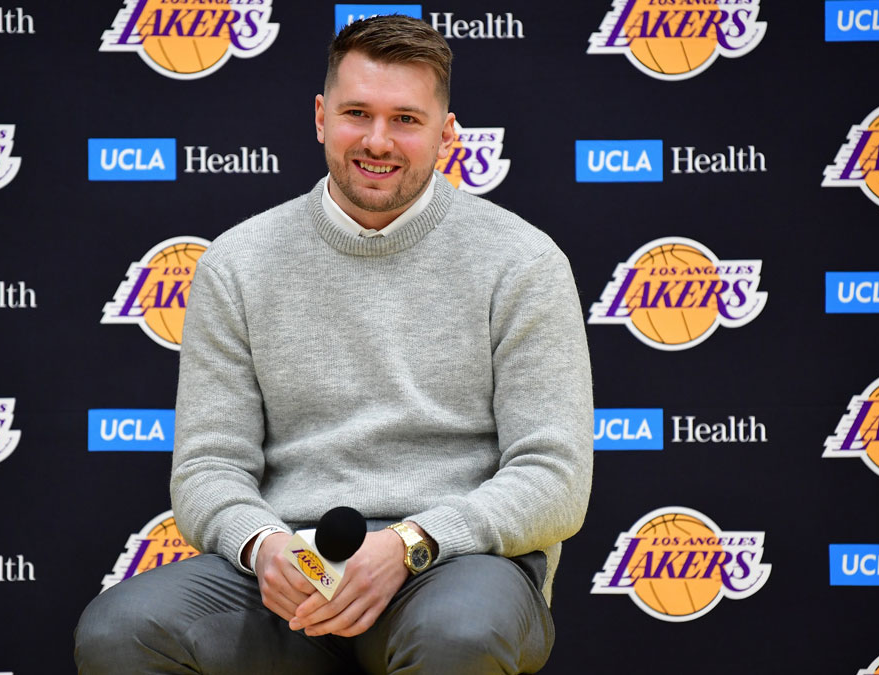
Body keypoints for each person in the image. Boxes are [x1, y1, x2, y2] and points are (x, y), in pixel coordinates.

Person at [75, 14, 592, 675]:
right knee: (120, 629)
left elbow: (554, 478)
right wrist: (265, 548)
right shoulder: (238, 262)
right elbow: (207, 468)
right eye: (357, 113)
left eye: (406, 119)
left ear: (447, 134)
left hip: (456, 567)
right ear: (321, 117)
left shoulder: (523, 261)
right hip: (287, 579)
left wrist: (411, 543)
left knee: (458, 632)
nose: (378, 140)